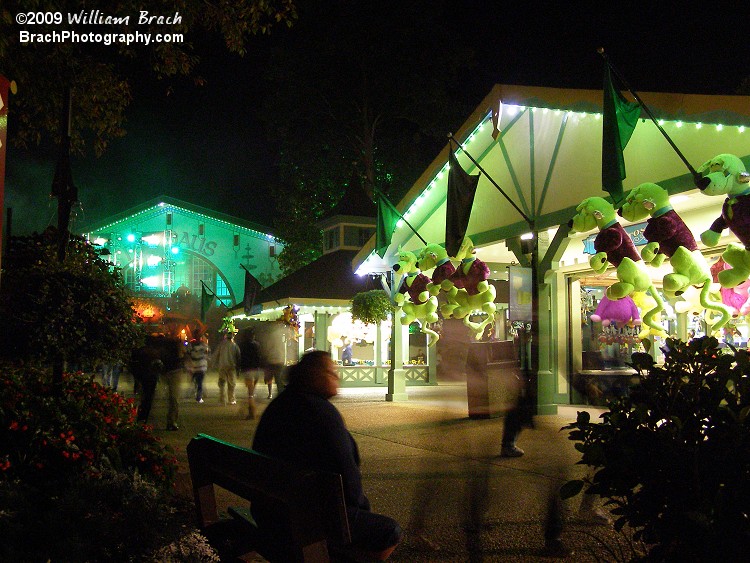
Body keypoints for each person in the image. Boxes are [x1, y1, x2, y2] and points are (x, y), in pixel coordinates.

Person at [252, 351, 401, 560]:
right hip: (304, 517)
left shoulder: (279, 405)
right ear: (313, 376)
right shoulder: (322, 413)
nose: (336, 377)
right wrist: (361, 509)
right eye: (330, 372)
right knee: (389, 531)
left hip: (269, 512)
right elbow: (347, 473)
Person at [237, 327, 264, 419]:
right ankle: (250, 410)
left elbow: (239, 359)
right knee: (251, 392)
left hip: (247, 370)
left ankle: (251, 412)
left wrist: (239, 369)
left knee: (250, 393)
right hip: (256, 370)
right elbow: (259, 357)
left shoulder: (242, 345)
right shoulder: (257, 345)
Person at [212, 331, 240, 405]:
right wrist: (238, 368)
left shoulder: (222, 345)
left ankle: (222, 400)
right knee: (231, 384)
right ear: (232, 337)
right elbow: (238, 357)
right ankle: (231, 399)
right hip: (231, 367)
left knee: (222, 384)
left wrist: (213, 363)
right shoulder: (235, 346)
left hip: (222, 366)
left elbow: (216, 355)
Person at [187, 332, 210, 403]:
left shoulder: (190, 345)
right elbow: (208, 354)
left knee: (195, 381)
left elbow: (188, 354)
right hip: (202, 367)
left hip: (193, 367)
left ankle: (194, 393)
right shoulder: (204, 345)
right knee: (200, 382)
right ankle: (199, 397)